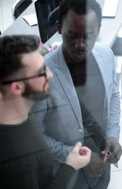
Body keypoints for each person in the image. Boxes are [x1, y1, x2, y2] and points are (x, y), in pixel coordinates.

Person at [31, 0, 122, 189]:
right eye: (72, 36)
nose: (81, 45)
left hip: (103, 164)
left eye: (88, 36)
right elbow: (35, 135)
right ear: (59, 29)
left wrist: (113, 134)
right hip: (66, 175)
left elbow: (114, 94)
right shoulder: (42, 73)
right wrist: (78, 158)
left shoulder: (105, 54)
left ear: (98, 32)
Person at [0, 35, 91, 188]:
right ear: (16, 88)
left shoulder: (21, 111)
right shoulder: (17, 160)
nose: (50, 74)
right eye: (41, 71)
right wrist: (70, 166)